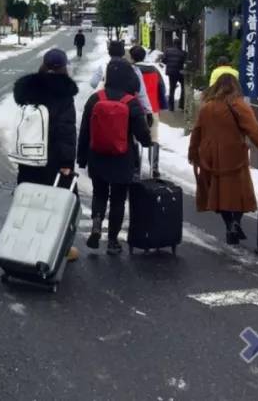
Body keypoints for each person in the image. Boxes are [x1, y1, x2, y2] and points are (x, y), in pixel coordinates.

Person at [189, 74, 258, 244]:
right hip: (234, 155)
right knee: (240, 194)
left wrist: (193, 153)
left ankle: (229, 223)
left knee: (218, 193)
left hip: (210, 157)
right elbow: (255, 132)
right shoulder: (239, 105)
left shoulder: (207, 107)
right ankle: (235, 221)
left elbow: (197, 131)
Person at [77, 58, 153, 254]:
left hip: (97, 156)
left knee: (99, 193)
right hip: (122, 158)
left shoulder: (96, 99)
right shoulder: (130, 102)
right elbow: (142, 132)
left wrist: (82, 158)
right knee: (118, 199)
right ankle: (112, 241)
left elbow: (85, 131)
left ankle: (96, 222)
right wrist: (147, 141)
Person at [13, 48, 81, 262]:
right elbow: (66, 130)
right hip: (53, 159)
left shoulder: (27, 90)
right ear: (63, 67)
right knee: (61, 204)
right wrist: (67, 162)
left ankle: (23, 246)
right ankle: (59, 248)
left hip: (29, 157)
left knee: (28, 202)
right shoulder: (64, 93)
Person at [130, 45, 167, 177]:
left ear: (132, 57)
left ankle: (135, 168)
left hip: (134, 109)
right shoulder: (154, 70)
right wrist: (162, 105)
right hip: (153, 108)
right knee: (154, 137)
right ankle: (154, 167)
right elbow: (162, 89)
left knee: (134, 138)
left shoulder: (132, 70)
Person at [90, 40, 153, 114]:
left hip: (106, 106)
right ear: (123, 53)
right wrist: (148, 110)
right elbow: (141, 92)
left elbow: (93, 83)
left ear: (109, 52)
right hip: (127, 106)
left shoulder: (104, 66)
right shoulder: (133, 68)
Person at [162, 37, 187, 111]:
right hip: (180, 72)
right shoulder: (182, 52)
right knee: (183, 87)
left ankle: (171, 107)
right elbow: (184, 62)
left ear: (173, 43)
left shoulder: (167, 51)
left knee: (172, 89)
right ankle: (181, 104)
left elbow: (163, 60)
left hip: (171, 72)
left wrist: (169, 64)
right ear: (180, 44)